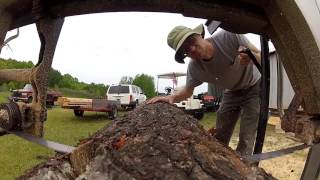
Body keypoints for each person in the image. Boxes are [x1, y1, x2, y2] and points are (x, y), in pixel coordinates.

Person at [148, 24, 261, 156]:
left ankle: (245, 165)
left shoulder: (229, 36)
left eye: (190, 41)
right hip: (232, 91)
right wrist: (171, 98)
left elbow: (260, 56)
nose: (191, 49)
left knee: (247, 133)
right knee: (221, 131)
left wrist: (252, 57)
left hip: (254, 85)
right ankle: (222, 161)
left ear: (200, 35)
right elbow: (187, 91)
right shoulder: (195, 68)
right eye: (186, 50)